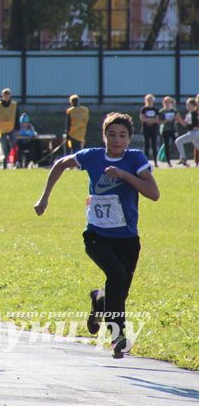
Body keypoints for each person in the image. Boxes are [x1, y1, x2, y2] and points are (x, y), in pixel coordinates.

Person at [34, 113, 159, 358]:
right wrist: (44, 197)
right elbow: (60, 164)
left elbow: (153, 193)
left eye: (122, 135)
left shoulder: (135, 159)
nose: (116, 140)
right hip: (96, 236)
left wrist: (125, 176)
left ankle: (100, 300)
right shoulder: (91, 156)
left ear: (129, 137)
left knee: (119, 290)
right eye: (111, 134)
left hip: (127, 239)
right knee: (116, 275)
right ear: (104, 136)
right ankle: (118, 337)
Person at [0, 88, 19, 169]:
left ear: (10, 96)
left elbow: (17, 116)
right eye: (5, 95)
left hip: (12, 127)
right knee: (4, 145)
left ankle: (14, 161)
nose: (6, 97)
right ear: (2, 96)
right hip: (1, 128)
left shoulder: (14, 105)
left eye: (8, 95)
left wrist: (17, 128)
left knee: (13, 144)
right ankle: (5, 163)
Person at [173, 97, 199, 166]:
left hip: (193, 133)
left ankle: (183, 158)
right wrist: (179, 119)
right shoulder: (190, 113)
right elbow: (185, 124)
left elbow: (191, 123)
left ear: (193, 105)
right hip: (194, 133)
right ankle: (183, 158)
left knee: (178, 141)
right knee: (198, 146)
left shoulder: (194, 113)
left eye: (188, 104)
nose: (186, 106)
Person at [139, 94, 160, 167]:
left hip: (154, 129)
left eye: (151, 100)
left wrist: (148, 120)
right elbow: (142, 119)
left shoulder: (155, 110)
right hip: (146, 129)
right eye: (148, 100)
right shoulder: (143, 109)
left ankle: (155, 162)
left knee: (154, 145)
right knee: (146, 145)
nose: (149, 101)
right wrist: (151, 120)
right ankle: (146, 162)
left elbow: (157, 120)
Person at [158, 96, 178, 167]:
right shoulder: (161, 111)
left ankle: (181, 158)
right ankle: (168, 161)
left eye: (169, 102)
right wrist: (165, 121)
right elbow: (159, 122)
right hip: (165, 130)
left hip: (173, 129)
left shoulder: (174, 111)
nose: (167, 103)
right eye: (166, 102)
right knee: (166, 145)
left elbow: (177, 119)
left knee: (177, 142)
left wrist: (175, 119)